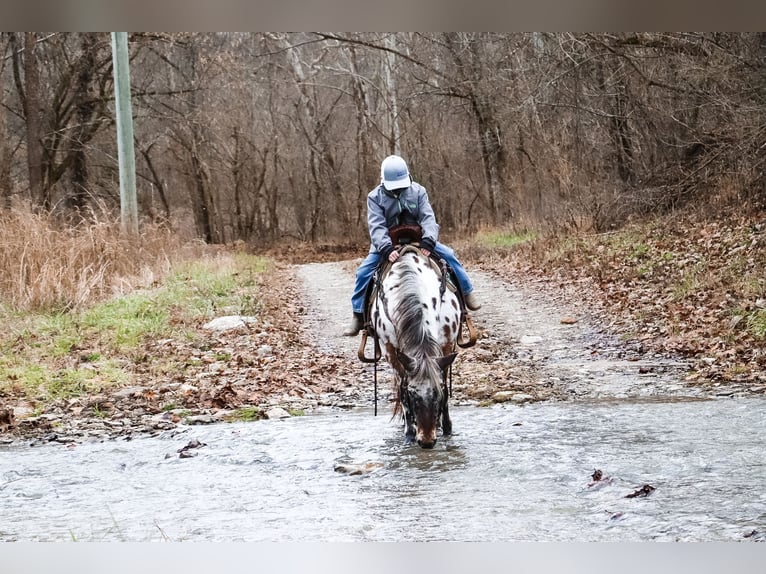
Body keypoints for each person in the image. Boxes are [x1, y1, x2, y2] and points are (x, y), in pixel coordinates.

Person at [343, 154, 480, 336]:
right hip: (388, 243)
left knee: (449, 255)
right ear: (383, 181)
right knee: (363, 272)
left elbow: (428, 217)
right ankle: (358, 314)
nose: (398, 190)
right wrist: (385, 248)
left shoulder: (418, 191)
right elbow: (376, 226)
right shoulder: (374, 197)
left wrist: (429, 240)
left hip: (418, 238)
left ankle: (466, 292)